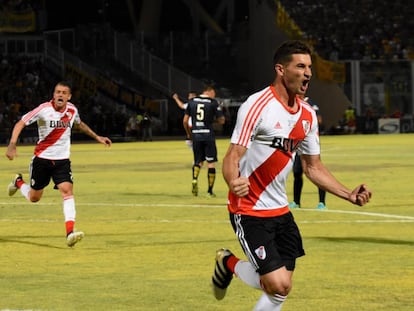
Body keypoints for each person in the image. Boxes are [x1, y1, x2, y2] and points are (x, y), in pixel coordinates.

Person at [211, 40, 372, 310]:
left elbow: (313, 167)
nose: (308, 72)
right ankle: (227, 262)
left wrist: (348, 194)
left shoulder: (307, 115)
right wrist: (232, 180)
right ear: (281, 70)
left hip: (281, 211)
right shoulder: (256, 106)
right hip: (249, 209)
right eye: (300, 66)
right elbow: (232, 156)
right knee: (277, 284)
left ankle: (226, 263)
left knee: (281, 288)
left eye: (309, 67)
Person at [5, 81, 112, 247]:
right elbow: (21, 123)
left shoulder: (72, 110)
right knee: (34, 198)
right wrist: (12, 144)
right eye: (57, 92)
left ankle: (70, 232)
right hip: (41, 160)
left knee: (67, 190)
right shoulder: (43, 110)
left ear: (69, 96)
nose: (60, 95)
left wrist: (97, 137)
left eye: (63, 92)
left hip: (62, 161)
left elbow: (79, 123)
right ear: (53, 95)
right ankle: (18, 182)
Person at [183, 85, 225, 197]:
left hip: (196, 135)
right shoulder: (212, 102)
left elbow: (185, 121)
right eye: (214, 93)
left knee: (198, 161)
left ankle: (194, 179)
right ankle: (209, 191)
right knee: (210, 163)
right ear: (209, 91)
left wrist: (189, 133)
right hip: (208, 135)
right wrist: (212, 121)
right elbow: (222, 120)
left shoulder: (191, 102)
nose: (214, 95)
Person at [289, 99, 327, 209]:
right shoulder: (292, 103)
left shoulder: (311, 105)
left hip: (310, 145)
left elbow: (319, 120)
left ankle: (322, 202)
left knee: (316, 172)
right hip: (297, 145)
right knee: (297, 172)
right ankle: (296, 202)